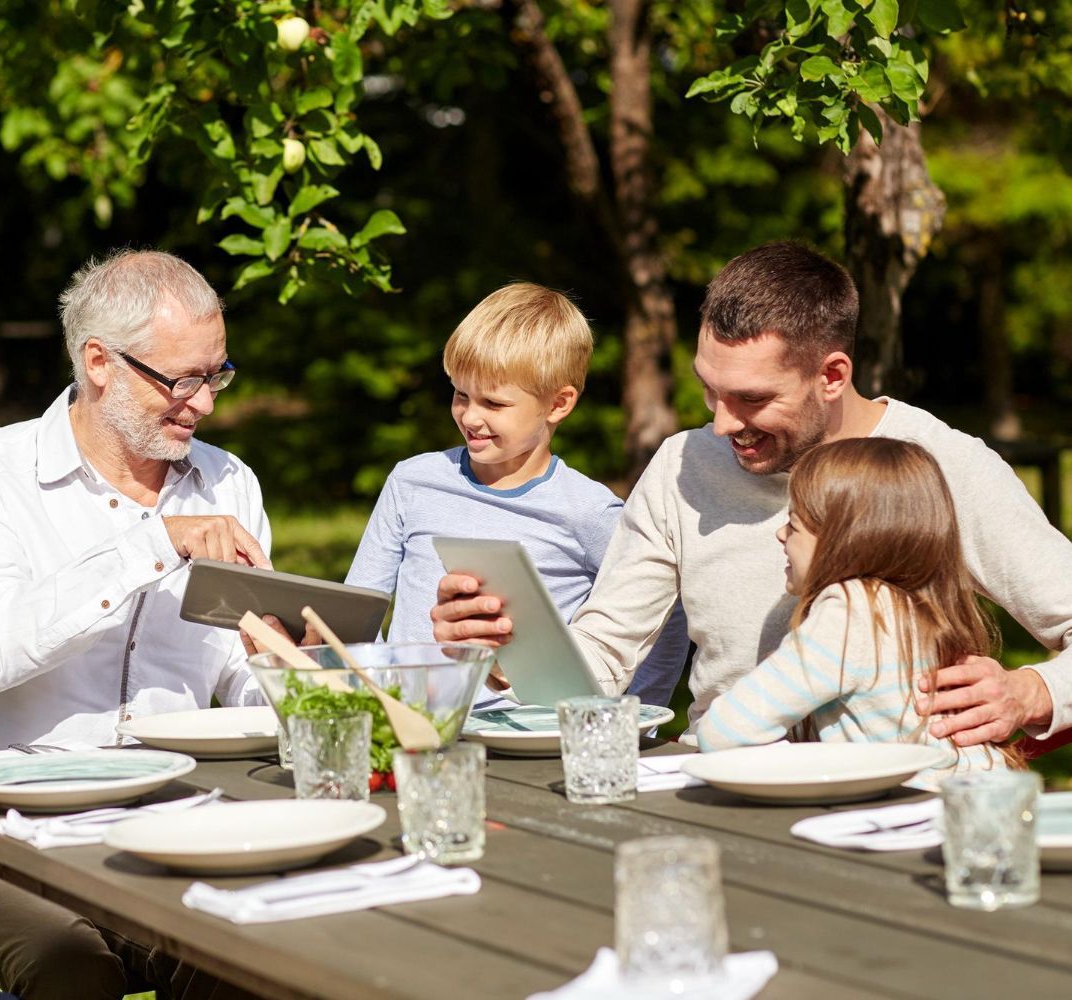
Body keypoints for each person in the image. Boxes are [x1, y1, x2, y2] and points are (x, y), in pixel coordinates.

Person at [433, 241, 1072, 747]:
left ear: (832, 374)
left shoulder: (938, 465)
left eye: (751, 399)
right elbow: (603, 657)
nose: (721, 424)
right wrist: (503, 649)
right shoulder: (684, 463)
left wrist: (1032, 692)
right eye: (710, 391)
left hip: (894, 804)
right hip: (720, 787)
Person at [0, 250, 267, 1000]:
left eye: (216, 374)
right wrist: (152, 543)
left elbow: (239, 677)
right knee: (76, 978)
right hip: (7, 835)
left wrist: (280, 659)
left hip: (172, 825)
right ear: (99, 361)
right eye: (181, 380)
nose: (204, 402)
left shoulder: (230, 482)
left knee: (258, 969)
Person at [344, 282, 688, 704]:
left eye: (494, 403)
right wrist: (368, 697)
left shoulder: (591, 512)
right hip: (408, 722)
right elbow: (361, 607)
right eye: (460, 394)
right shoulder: (412, 482)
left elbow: (661, 620)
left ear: (558, 404)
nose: (470, 416)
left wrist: (638, 718)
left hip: (528, 737)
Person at [695, 437, 1016, 778]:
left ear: (844, 542)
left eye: (795, 524)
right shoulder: (912, 604)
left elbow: (723, 731)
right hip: (978, 799)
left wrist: (810, 768)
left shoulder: (849, 613)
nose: (780, 533)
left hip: (922, 814)